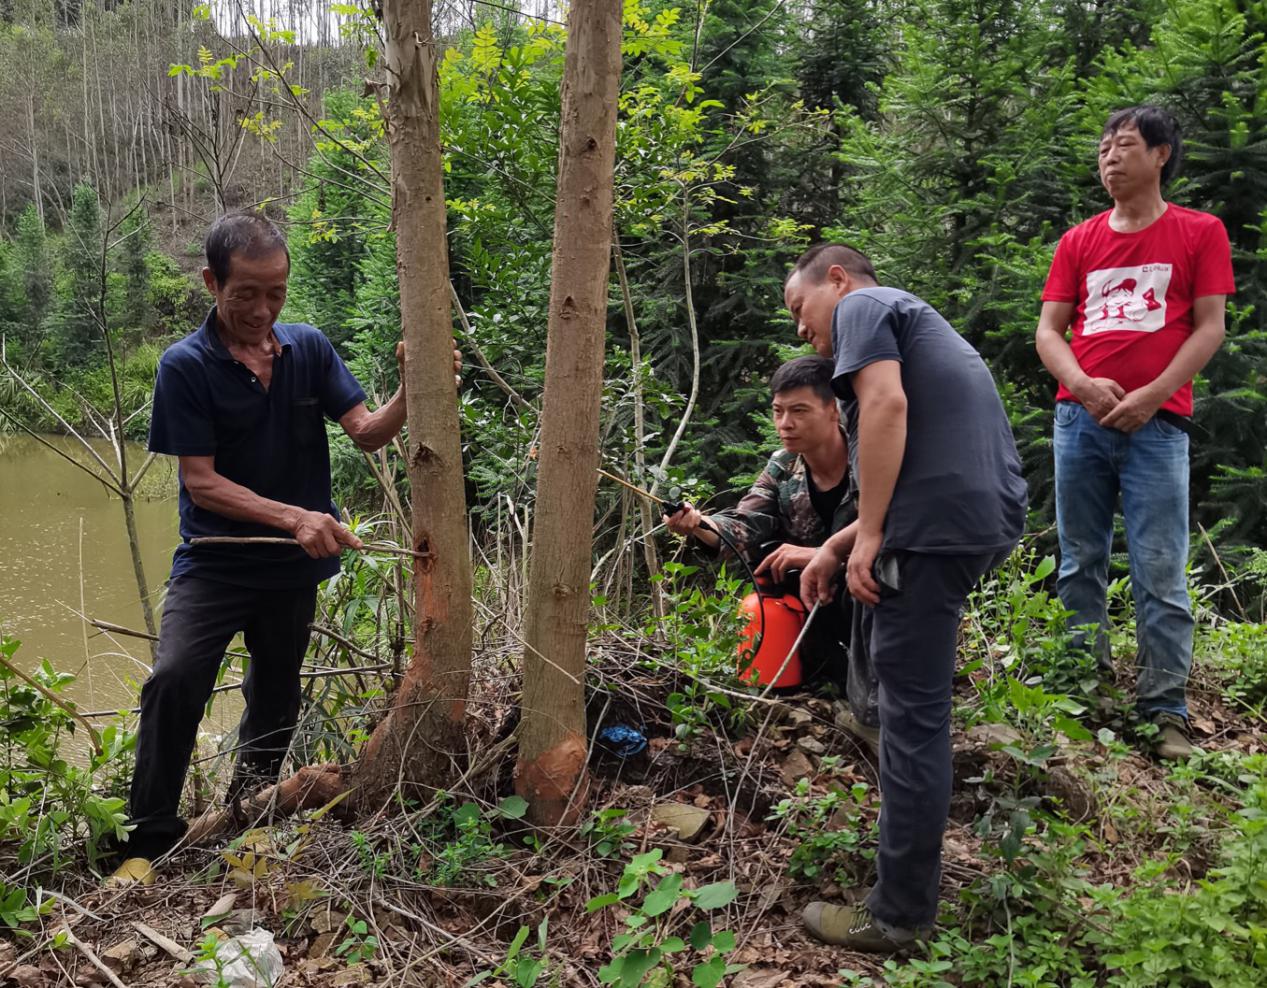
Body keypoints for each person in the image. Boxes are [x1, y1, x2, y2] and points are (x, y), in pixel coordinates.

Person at [110, 212, 444, 885]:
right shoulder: (185, 366)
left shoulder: (308, 350)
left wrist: (416, 388)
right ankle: (145, 843)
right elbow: (200, 483)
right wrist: (295, 516)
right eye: (245, 295)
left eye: (276, 294)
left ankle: (248, 815)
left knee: (276, 695)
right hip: (216, 561)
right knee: (174, 679)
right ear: (212, 283)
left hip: (291, 571)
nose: (262, 310)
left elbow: (369, 431)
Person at [790, 243, 1028, 951]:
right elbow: (912, 434)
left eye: (798, 309)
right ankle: (905, 899)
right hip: (969, 519)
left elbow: (886, 405)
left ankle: (898, 917)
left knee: (911, 717)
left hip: (932, 532)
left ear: (834, 280)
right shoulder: (913, 320)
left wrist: (866, 544)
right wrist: (840, 544)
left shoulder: (863, 304)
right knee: (912, 707)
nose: (800, 329)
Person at [1035, 105, 1234, 761]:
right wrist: (1085, 387)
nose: (1108, 158)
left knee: (1158, 569)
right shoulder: (1078, 241)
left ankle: (1164, 713)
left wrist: (1151, 396)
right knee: (1077, 562)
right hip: (1078, 420)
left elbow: (1208, 326)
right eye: (1102, 148)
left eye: (1122, 145)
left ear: (1160, 155)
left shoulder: (1198, 232)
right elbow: (1048, 331)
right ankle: (1076, 692)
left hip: (1158, 426)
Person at [664, 356, 878, 745]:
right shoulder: (783, 465)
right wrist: (699, 525)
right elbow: (745, 526)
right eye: (778, 411)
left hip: (866, 595)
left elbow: (894, 531)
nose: (785, 424)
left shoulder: (871, 459)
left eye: (799, 411)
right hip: (811, 606)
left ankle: (877, 708)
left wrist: (818, 555)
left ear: (833, 410)